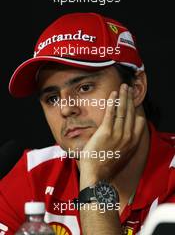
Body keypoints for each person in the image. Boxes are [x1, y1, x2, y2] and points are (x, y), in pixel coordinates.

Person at [0, 12, 174, 235]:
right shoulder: (32, 176)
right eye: (52, 98)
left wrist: (93, 181)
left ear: (136, 89)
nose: (66, 108)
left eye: (84, 87)